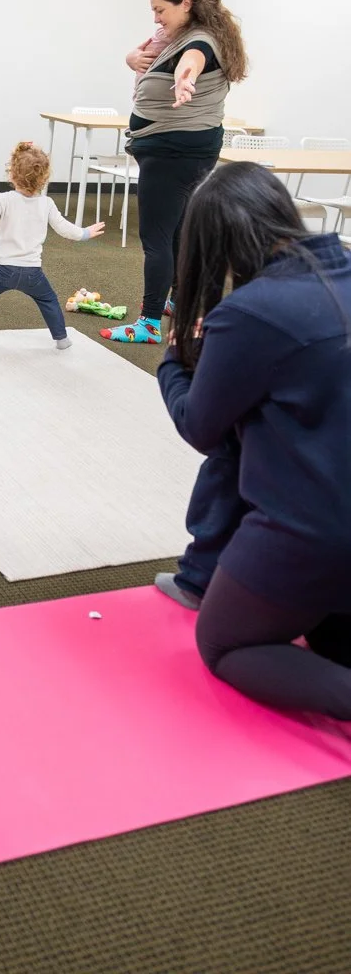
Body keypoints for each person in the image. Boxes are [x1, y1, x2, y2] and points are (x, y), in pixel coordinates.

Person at [157, 162, 351, 721]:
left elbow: (200, 426)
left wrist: (173, 360)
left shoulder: (251, 312)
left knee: (225, 645)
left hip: (314, 533)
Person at [102, 0, 247, 346]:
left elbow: (192, 61)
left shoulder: (198, 40)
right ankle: (178, 301)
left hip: (172, 153)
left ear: (186, 4)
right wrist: (130, 57)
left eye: (159, 9)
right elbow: (145, 53)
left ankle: (148, 323)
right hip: (182, 151)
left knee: (157, 237)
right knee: (180, 231)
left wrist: (185, 78)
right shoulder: (185, 34)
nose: (155, 17)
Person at [0, 141, 104, 348]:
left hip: (2, 270)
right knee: (49, 301)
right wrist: (85, 233)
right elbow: (65, 229)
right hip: (32, 272)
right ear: (43, 177)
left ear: (12, 175)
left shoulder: (4, 199)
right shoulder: (47, 203)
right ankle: (62, 339)